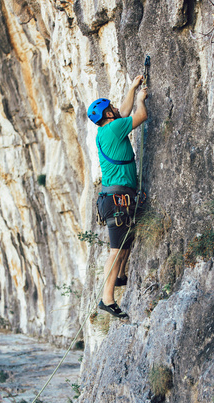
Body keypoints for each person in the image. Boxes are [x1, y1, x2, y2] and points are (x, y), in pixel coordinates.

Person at [87, 76, 148, 319]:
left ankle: (120, 276)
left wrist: (133, 88)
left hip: (115, 199)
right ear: (108, 114)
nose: (115, 108)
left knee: (123, 245)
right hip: (117, 200)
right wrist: (141, 100)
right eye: (111, 107)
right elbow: (139, 116)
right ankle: (107, 299)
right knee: (115, 250)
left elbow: (122, 112)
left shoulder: (107, 130)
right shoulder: (113, 128)